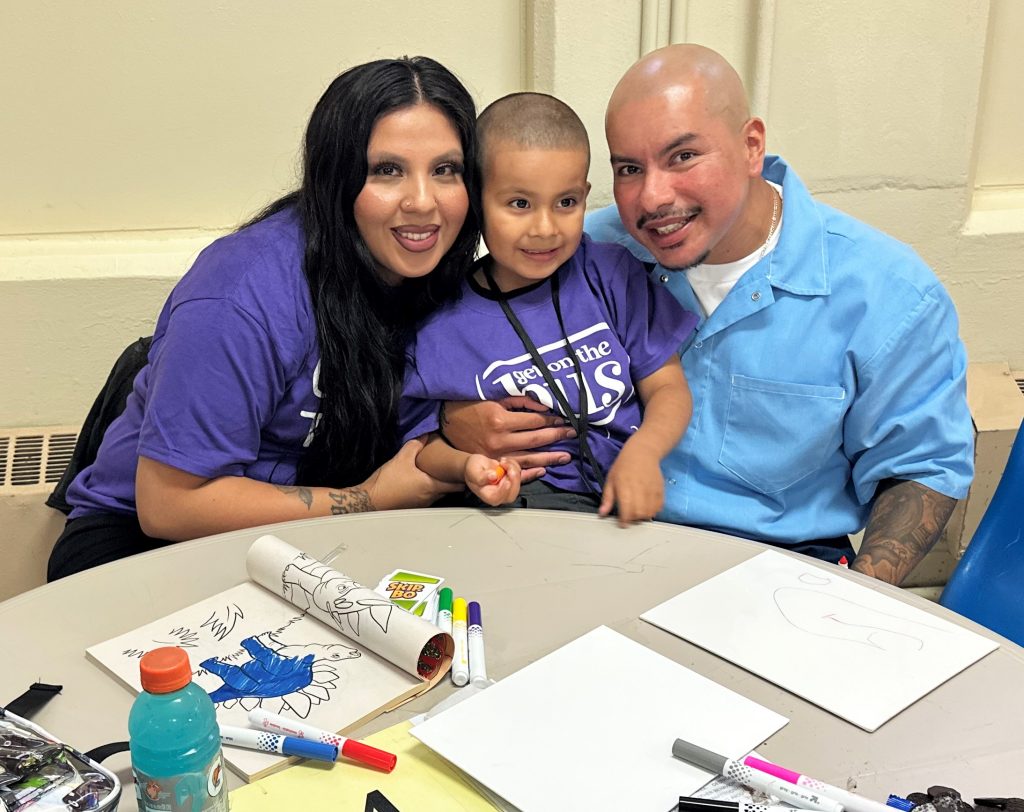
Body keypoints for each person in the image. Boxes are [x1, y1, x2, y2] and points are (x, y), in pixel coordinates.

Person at [440, 46, 974, 585]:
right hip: (596, 546)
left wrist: (855, 602)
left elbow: (920, 469)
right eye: (629, 168)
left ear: (751, 146)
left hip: (779, 572)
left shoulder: (892, 294)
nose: (653, 196)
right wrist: (456, 420)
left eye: (682, 157)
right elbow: (477, 343)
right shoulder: (581, 254)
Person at [48, 56, 481, 580]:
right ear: (335, 177)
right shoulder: (240, 293)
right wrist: (368, 499)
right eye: (386, 170)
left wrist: (463, 431)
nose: (422, 202)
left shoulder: (453, 276)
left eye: (445, 170)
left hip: (321, 545)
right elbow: (168, 505)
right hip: (148, 546)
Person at [400, 92, 697, 524]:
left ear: (585, 195)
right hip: (506, 512)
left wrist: (644, 453)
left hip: (620, 509)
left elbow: (668, 387)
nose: (545, 228)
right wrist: (468, 468)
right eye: (519, 204)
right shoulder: (439, 321)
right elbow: (425, 450)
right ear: (477, 200)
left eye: (566, 203)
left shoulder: (612, 275)